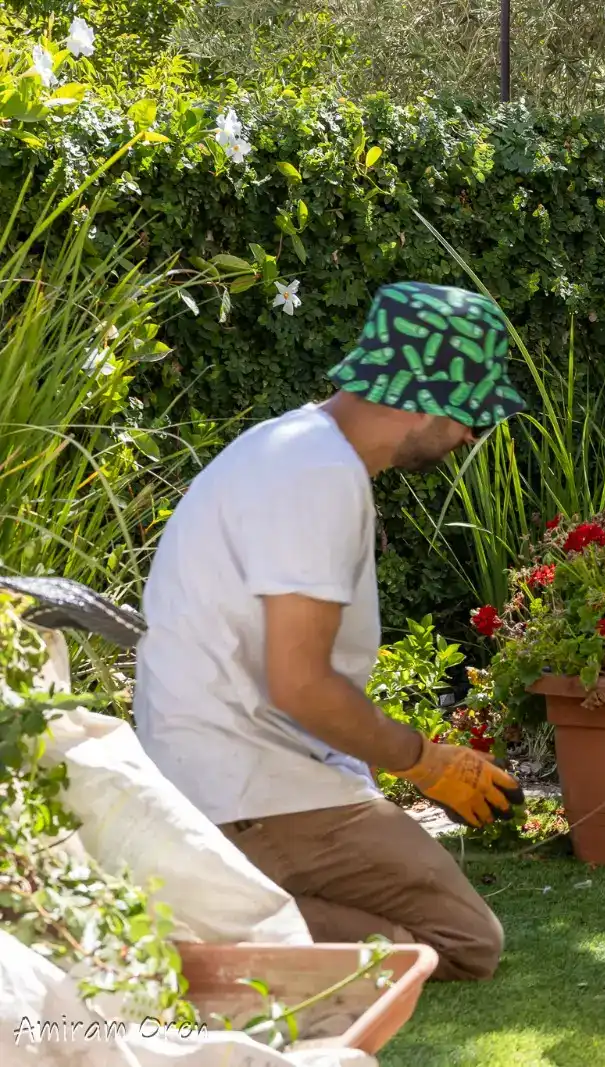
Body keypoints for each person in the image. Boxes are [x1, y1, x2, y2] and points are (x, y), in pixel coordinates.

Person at [134, 281, 529, 981]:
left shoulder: (291, 447)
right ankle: (200, 920)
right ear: (425, 393)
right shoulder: (319, 473)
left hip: (233, 773)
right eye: (474, 415)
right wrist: (424, 760)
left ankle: (226, 898)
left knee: (424, 934)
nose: (471, 435)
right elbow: (301, 684)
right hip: (250, 789)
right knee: (465, 940)